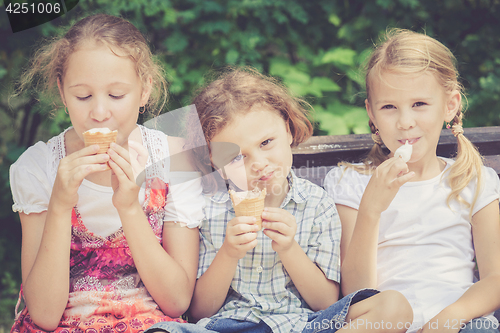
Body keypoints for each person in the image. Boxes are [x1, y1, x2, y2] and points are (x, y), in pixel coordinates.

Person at [146, 67, 413, 333]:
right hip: (227, 326)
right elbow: (198, 311)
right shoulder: (210, 209)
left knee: (393, 308)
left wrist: (289, 249)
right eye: (237, 158)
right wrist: (228, 253)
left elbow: (326, 302)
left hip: (302, 325)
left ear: (287, 129)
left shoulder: (317, 204)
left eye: (266, 143)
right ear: (215, 162)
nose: (259, 164)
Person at [9, 14, 204, 333]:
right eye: (83, 96)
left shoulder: (175, 159)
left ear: (144, 91)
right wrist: (59, 204)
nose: (99, 114)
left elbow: (177, 300)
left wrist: (129, 207)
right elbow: (44, 314)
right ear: (62, 93)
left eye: (116, 95)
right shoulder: (38, 167)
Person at [324, 29, 500, 333]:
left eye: (419, 104)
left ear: (450, 105)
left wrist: (448, 319)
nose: (405, 121)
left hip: (459, 323)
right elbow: (355, 294)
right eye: (389, 107)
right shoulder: (350, 181)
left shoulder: (474, 180)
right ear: (372, 114)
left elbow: (495, 280)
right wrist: (371, 209)